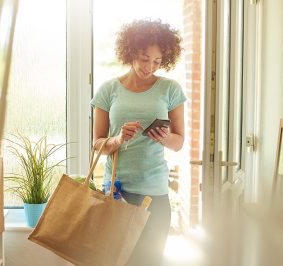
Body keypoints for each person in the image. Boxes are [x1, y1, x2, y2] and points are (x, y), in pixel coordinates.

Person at [90, 19, 187, 266]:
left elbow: (178, 143)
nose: (150, 67)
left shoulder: (170, 89)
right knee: (116, 261)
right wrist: (119, 139)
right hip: (117, 192)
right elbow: (97, 144)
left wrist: (164, 138)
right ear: (131, 51)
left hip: (155, 194)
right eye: (145, 59)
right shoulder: (108, 90)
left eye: (157, 61)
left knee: (151, 261)